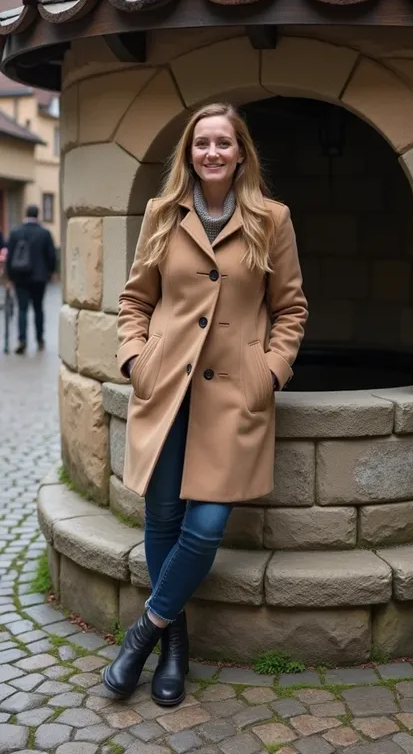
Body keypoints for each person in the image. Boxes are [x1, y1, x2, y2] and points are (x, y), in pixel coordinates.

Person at [103, 102, 308, 707]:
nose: (212, 153)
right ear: (189, 154)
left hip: (233, 396)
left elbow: (291, 309)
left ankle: (143, 633)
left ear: (241, 151)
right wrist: (135, 362)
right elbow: (135, 300)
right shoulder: (162, 214)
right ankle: (176, 648)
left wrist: (269, 373)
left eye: (223, 143)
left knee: (207, 526)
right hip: (165, 388)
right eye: (201, 144)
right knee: (162, 520)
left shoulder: (272, 219)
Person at [6, 204, 57, 354]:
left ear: (26, 214)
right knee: (38, 309)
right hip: (39, 278)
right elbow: (51, 255)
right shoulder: (44, 233)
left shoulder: (16, 232)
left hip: (20, 278)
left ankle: (22, 340)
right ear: (38, 215)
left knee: (22, 309)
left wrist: (10, 277)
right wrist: (51, 272)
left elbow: (10, 257)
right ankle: (40, 340)